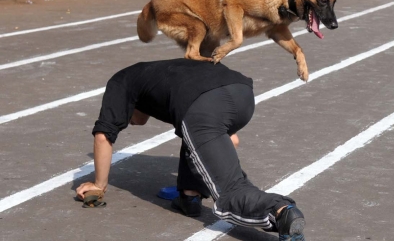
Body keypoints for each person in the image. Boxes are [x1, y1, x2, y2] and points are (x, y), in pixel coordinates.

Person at [75, 59, 306, 241]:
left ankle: (280, 210)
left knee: (229, 190)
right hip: (242, 94)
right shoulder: (155, 78)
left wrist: (99, 185)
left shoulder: (121, 81)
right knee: (192, 136)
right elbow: (230, 140)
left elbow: (104, 135)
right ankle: (189, 196)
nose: (129, 122)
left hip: (204, 104)